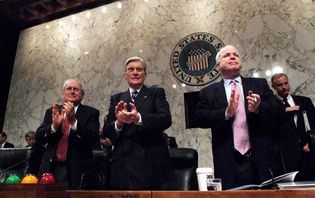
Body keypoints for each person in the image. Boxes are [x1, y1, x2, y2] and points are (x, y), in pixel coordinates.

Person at [195, 45, 281, 190]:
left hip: (260, 156)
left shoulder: (259, 84)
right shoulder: (208, 92)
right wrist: (226, 113)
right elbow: (200, 118)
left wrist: (258, 108)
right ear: (218, 66)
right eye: (227, 55)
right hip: (227, 158)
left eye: (236, 54)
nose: (233, 56)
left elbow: (278, 110)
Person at [103, 56, 173, 190]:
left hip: (151, 162)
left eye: (139, 69)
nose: (135, 72)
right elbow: (107, 131)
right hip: (123, 164)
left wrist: (138, 118)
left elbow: (165, 119)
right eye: (131, 69)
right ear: (125, 75)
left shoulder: (156, 93)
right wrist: (119, 122)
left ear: (145, 74)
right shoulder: (116, 98)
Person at [35, 79, 100, 189]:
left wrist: (74, 122)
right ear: (63, 94)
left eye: (76, 89)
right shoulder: (53, 111)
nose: (72, 91)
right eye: (68, 89)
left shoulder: (91, 113)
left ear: (82, 94)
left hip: (77, 168)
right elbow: (39, 138)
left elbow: (92, 139)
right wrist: (54, 127)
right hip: (50, 167)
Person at [271, 73, 315, 181]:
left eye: (286, 83)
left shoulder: (304, 101)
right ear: (274, 87)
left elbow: (313, 124)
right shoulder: (272, 105)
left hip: (306, 150)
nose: (284, 87)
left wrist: (310, 142)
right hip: (283, 153)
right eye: (280, 85)